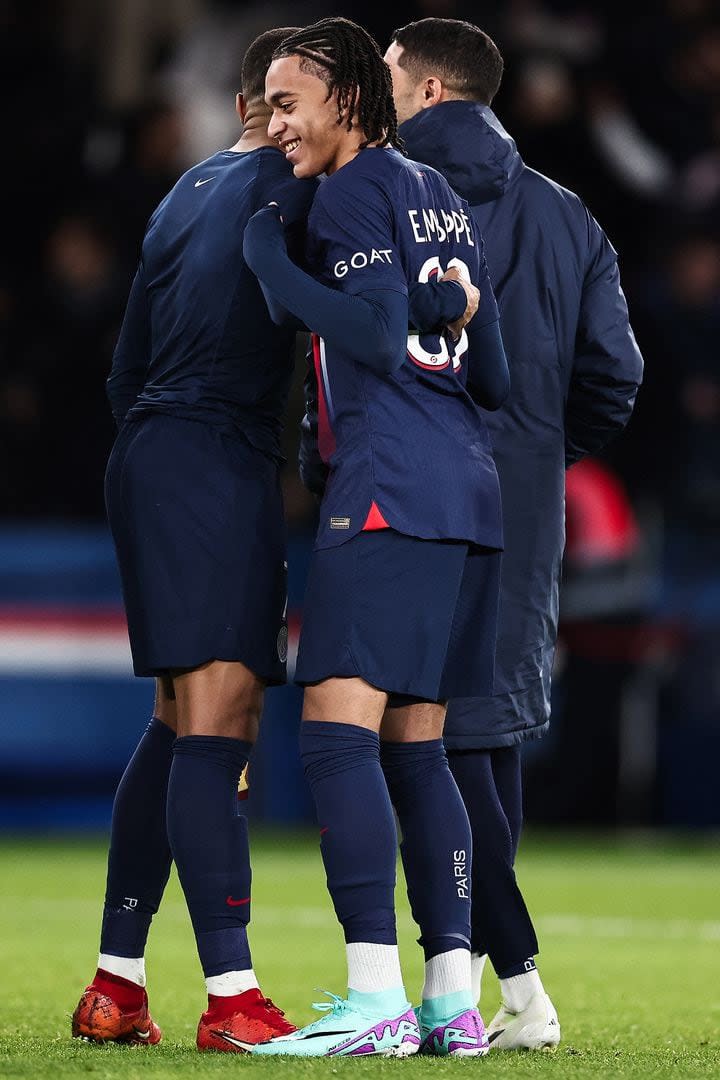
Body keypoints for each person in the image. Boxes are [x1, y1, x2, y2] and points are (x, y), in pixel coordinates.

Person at [241, 15, 510, 1058]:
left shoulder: (355, 189)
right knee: (420, 747)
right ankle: (451, 1002)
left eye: (289, 103)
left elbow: (364, 328)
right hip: (469, 492)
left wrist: (272, 261)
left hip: (391, 486)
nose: (275, 123)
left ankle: (373, 998)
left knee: (335, 736)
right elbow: (491, 378)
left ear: (349, 100)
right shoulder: (441, 194)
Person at [382, 16, 645, 1050]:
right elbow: (615, 377)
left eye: (393, 77)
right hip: (523, 503)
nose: (382, 90)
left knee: (418, 735)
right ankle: (486, 990)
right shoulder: (570, 218)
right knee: (483, 737)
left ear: (437, 91)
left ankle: (508, 983)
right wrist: (533, 452)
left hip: (405, 492)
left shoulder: (386, 197)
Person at [70, 26, 320, 1054]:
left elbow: (125, 364)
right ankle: (234, 998)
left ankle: (116, 985)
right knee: (219, 716)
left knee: (180, 720)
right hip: (211, 459)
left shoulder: (186, 188)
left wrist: (167, 451)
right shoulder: (295, 192)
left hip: (153, 453)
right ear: (278, 103)